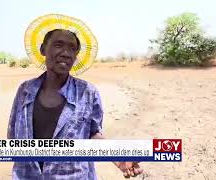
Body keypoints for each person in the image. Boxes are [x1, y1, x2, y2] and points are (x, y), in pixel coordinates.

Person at [7, 14, 143, 179]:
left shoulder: (87, 92)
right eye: (58, 45)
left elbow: (93, 134)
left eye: (72, 48)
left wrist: (118, 157)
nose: (66, 53)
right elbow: (13, 135)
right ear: (43, 49)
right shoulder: (25, 90)